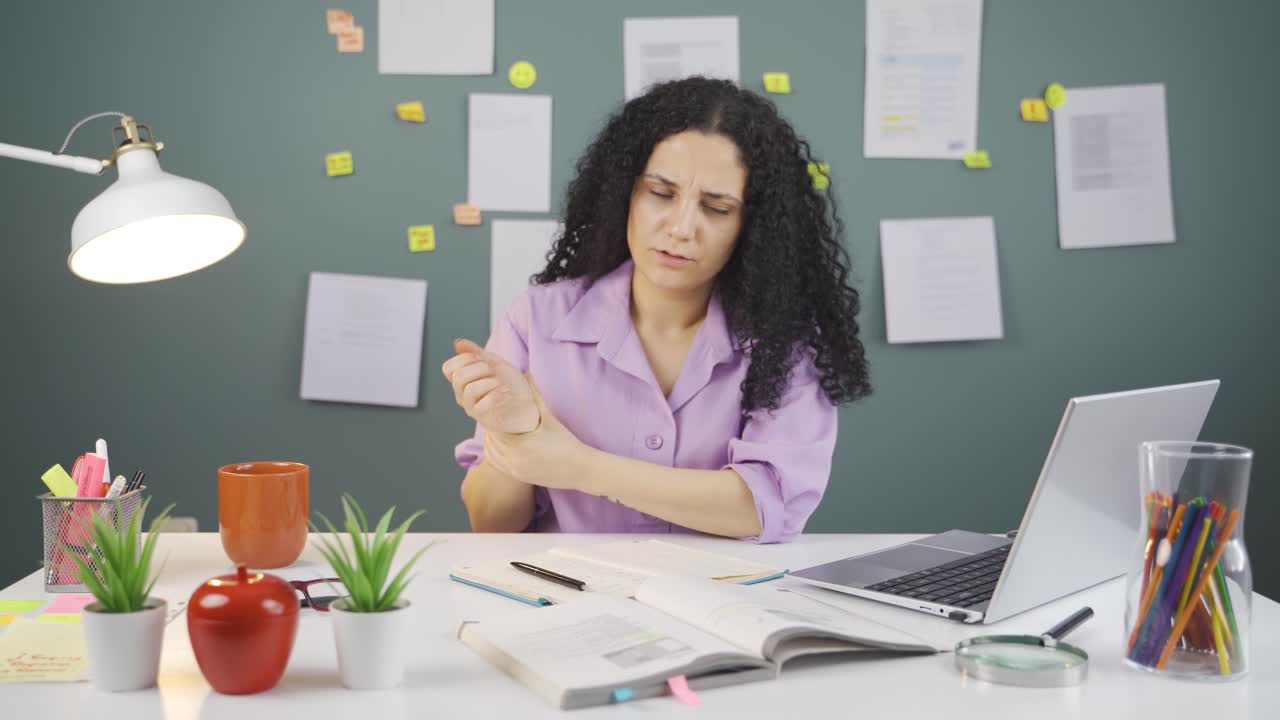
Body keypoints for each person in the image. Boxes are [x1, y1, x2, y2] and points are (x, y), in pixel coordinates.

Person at [443, 77, 870, 543]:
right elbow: (491, 524)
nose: (681, 228)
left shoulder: (785, 343)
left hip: (720, 587)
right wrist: (514, 431)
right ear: (624, 193)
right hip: (565, 585)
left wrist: (579, 467)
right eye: (661, 194)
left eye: (717, 208)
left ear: (752, 227)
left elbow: (766, 508)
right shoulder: (536, 320)